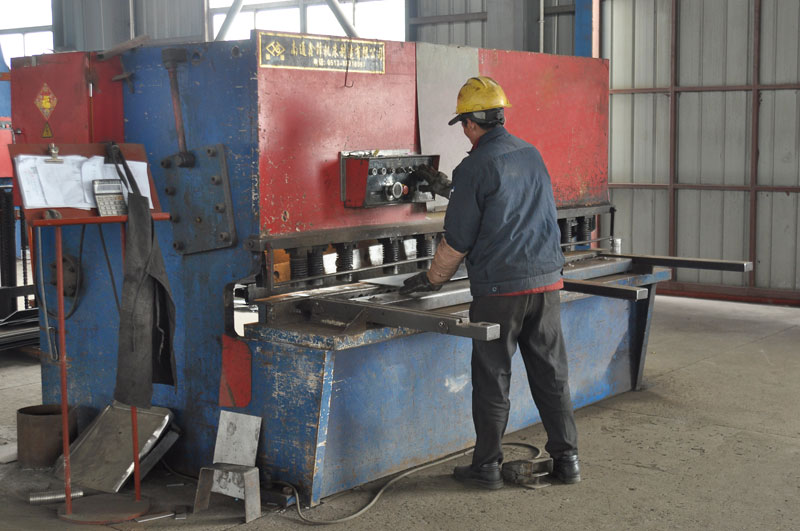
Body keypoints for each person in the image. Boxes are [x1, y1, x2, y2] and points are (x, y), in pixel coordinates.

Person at [401, 76, 580, 489]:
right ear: (500, 116)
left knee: (493, 378)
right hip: (546, 284)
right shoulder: (531, 154)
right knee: (551, 373)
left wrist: (431, 279)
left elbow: (459, 238)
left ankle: (486, 467)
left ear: (469, 123)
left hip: (501, 292)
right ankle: (568, 460)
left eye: (463, 125)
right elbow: (503, 200)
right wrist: (449, 188)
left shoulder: (473, 166)